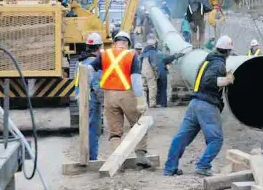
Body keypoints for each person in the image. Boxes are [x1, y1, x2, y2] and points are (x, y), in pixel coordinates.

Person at [163, 35, 235, 177]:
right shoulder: (218, 64)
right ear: (227, 51)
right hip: (207, 105)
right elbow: (209, 81)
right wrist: (226, 80)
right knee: (216, 139)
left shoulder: (206, 61)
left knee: (181, 138)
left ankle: (169, 168)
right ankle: (203, 165)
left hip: (194, 104)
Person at [90, 31, 152, 168]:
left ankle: (118, 162)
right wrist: (141, 99)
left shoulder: (104, 54)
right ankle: (141, 156)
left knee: (115, 131)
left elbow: (89, 69)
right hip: (126, 94)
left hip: (109, 96)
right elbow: (135, 79)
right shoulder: (131, 55)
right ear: (128, 43)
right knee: (139, 124)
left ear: (114, 42)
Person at [74, 32, 104, 161]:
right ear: (100, 47)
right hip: (91, 100)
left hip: (80, 98)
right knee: (93, 130)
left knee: (84, 128)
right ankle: (92, 158)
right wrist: (104, 101)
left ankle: (84, 156)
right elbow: (96, 84)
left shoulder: (79, 62)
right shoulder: (94, 63)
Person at [141, 38, 161, 108]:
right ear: (153, 45)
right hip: (150, 72)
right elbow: (154, 64)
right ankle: (152, 104)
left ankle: (144, 103)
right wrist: (157, 73)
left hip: (143, 71)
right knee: (152, 87)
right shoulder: (152, 52)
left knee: (144, 87)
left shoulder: (144, 52)